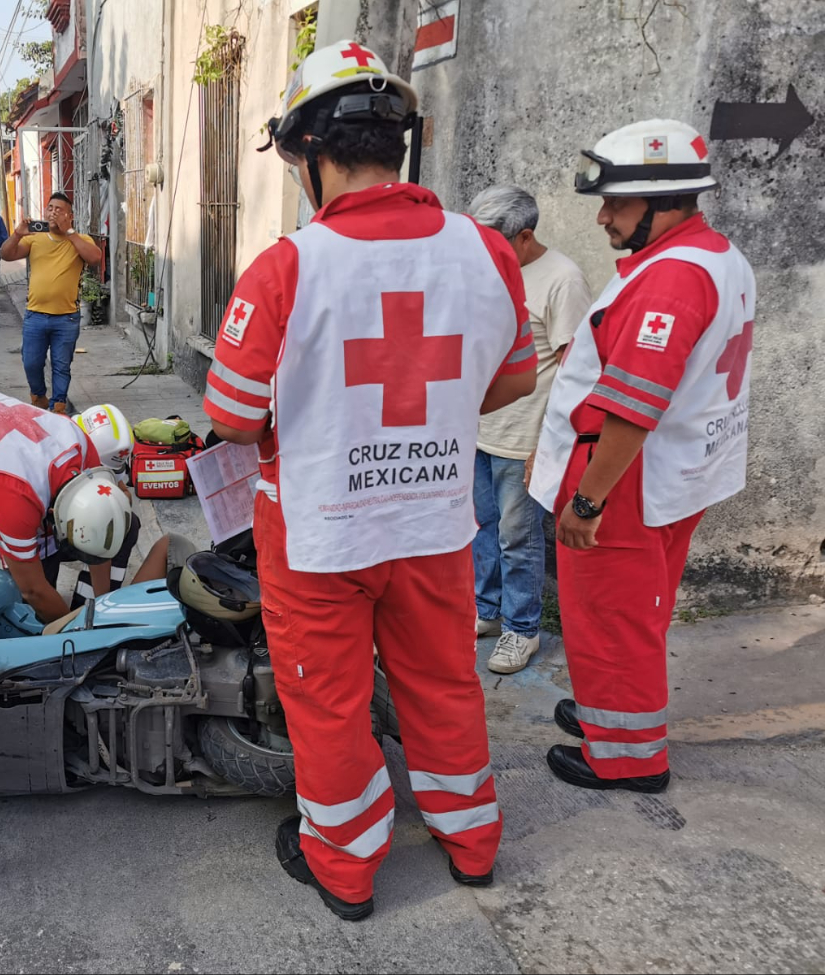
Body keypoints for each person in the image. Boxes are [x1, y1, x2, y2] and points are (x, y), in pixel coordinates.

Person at [203, 40, 536, 921]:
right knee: (443, 682)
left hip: (321, 533)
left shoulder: (287, 266)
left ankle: (345, 868)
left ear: (311, 154)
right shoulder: (487, 253)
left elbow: (234, 417)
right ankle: (472, 843)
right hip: (432, 519)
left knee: (330, 703)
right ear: (400, 144)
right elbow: (511, 378)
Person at [529, 119, 754, 794]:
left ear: (665, 203)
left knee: (611, 614)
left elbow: (634, 407)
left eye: (617, 203)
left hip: (625, 476)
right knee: (640, 606)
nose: (602, 216)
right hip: (680, 469)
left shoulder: (670, 282)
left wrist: (588, 500)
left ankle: (627, 756)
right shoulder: (718, 256)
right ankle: (612, 711)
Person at [467, 186, 593, 674]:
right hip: (478, 428)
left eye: (494, 242)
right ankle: (488, 612)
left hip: (524, 437)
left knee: (518, 538)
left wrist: (550, 445)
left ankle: (523, 630)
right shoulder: (488, 271)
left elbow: (576, 371)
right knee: (482, 528)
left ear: (524, 236)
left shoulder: (562, 280)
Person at [0, 377, 140, 620]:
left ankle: (89, 609)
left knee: (125, 527)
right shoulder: (15, 497)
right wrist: (78, 637)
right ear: (53, 516)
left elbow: (102, 541)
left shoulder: (80, 442)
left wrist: (101, 609)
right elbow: (34, 592)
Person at [0, 192, 102, 413]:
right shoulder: (35, 238)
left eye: (59, 209)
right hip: (35, 315)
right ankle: (38, 396)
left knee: (61, 366)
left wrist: (70, 232)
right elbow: (6, 255)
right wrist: (17, 234)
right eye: (50, 208)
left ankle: (58, 407)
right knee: (31, 363)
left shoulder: (81, 240)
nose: (53, 212)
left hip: (66, 317)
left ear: (70, 216)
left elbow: (95, 258)